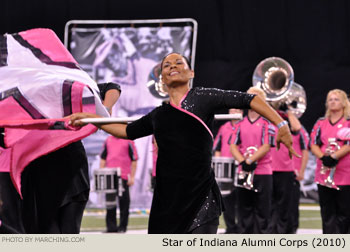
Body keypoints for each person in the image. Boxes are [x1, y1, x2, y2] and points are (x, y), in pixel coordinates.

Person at [70, 52, 298, 234]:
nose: (171, 66)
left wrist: (281, 125)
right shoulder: (159, 115)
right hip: (166, 203)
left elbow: (251, 99)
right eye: (166, 65)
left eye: (178, 62)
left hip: (200, 200)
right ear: (162, 79)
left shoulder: (203, 97)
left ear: (191, 73)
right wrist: (93, 120)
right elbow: (126, 131)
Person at [20, 82, 121, 234]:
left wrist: (103, 113)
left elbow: (111, 87)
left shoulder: (65, 85)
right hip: (40, 174)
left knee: (69, 233)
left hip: (72, 173)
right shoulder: (22, 90)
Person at [230, 87, 275, 234]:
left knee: (262, 211)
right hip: (243, 172)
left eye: (254, 96)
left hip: (262, 172)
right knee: (244, 211)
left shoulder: (267, 123)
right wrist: (243, 162)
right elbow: (233, 145)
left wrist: (250, 160)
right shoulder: (239, 124)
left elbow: (267, 145)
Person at [310, 89, 350, 234]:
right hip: (324, 173)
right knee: (327, 213)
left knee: (344, 214)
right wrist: (323, 157)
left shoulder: (348, 122)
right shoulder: (321, 123)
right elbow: (313, 143)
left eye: (337, 99)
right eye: (330, 99)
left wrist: (334, 157)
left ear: (344, 103)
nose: (333, 102)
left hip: (345, 175)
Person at [269, 107, 302, 234]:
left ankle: (282, 235)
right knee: (269, 205)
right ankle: (270, 234)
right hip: (268, 168)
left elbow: (297, 127)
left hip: (285, 168)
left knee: (284, 206)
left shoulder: (286, 120)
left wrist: (288, 110)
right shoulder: (266, 118)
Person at [213, 108, 242, 233]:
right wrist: (218, 167)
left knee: (242, 198)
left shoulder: (244, 125)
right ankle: (231, 227)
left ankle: (243, 227)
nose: (233, 112)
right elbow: (217, 148)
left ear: (242, 111)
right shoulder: (224, 127)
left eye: (236, 109)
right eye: (231, 110)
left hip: (241, 166)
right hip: (226, 168)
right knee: (226, 199)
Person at [100, 136, 138, 233]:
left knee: (124, 202)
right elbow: (103, 158)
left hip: (123, 176)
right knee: (110, 203)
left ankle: (122, 227)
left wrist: (132, 177)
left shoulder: (128, 141)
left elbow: (134, 160)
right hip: (109, 175)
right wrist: (102, 174)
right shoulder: (108, 140)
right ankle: (111, 227)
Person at [288, 123, 309, 234]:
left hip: (293, 173)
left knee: (292, 206)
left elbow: (305, 152)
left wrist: (302, 171)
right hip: (275, 171)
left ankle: (292, 233)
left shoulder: (299, 131)